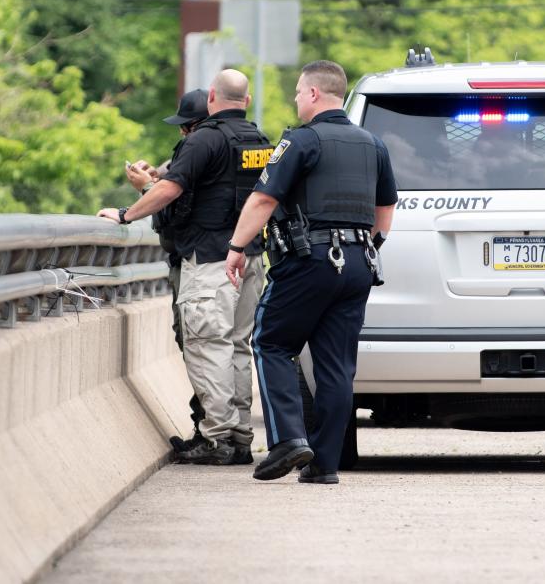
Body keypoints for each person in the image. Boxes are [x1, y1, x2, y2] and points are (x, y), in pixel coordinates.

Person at [225, 60, 397, 484]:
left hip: (310, 261)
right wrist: (370, 245)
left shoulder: (301, 141)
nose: (297, 98)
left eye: (300, 92)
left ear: (315, 94)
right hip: (358, 264)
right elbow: (386, 207)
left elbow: (263, 199)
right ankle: (325, 465)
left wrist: (235, 247)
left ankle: (287, 440)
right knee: (336, 366)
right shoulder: (373, 143)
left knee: (271, 342)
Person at [100, 69, 272, 466]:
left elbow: (173, 189)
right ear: (244, 100)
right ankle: (241, 436)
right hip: (248, 257)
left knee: (207, 345)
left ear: (213, 97)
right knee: (237, 348)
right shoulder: (258, 140)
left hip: (211, 261)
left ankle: (218, 439)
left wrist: (127, 214)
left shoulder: (205, 138)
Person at [121, 88, 208, 450]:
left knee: (200, 345)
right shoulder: (224, 144)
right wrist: (158, 177)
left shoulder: (201, 144)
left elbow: (176, 200)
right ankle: (218, 432)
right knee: (218, 346)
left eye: (184, 128)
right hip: (225, 257)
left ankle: (212, 434)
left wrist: (145, 191)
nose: (182, 135)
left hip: (198, 260)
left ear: (194, 127)